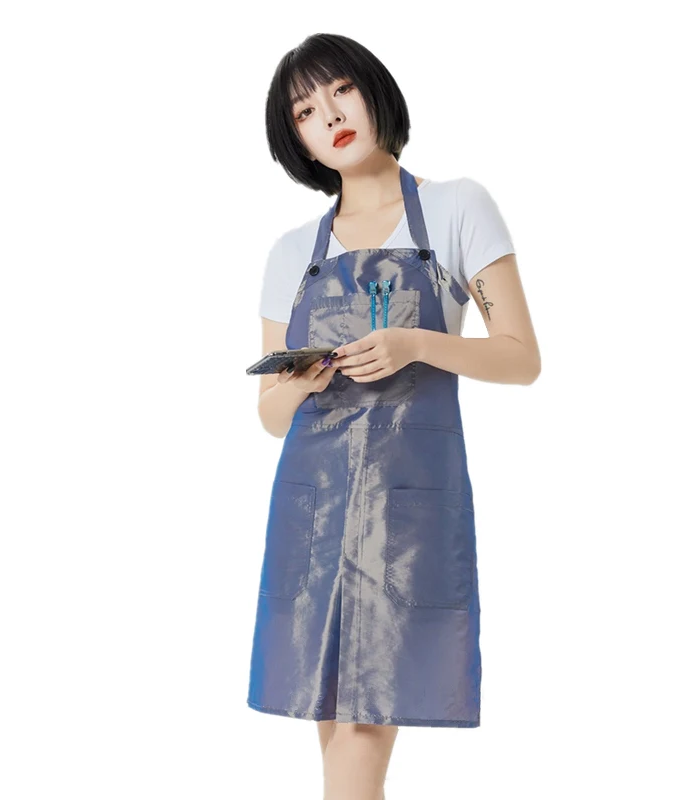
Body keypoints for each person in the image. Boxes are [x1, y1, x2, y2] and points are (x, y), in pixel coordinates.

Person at [247, 33, 541, 800]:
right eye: (304, 111)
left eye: (340, 90)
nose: (329, 115)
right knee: (335, 732)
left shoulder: (455, 207)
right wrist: (303, 379)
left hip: (403, 512)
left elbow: (520, 357)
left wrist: (417, 344)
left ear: (373, 90)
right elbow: (270, 416)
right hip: (312, 510)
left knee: (360, 730)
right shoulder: (291, 253)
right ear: (297, 141)